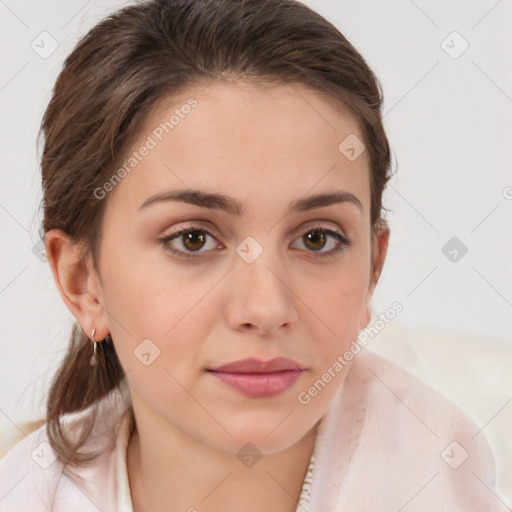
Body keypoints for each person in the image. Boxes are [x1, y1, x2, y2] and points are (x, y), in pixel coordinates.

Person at [0, 0, 501, 510]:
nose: (265, 309)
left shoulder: (450, 477)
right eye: (192, 238)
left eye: (316, 239)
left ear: (373, 268)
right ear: (83, 281)